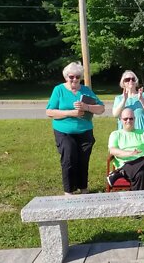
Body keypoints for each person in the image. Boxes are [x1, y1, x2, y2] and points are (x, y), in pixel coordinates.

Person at [46, 61, 105, 195]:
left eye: (77, 77)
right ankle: (69, 190)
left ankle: (83, 188)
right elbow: (49, 112)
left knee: (83, 160)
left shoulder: (86, 91)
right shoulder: (59, 90)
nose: (74, 79)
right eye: (71, 77)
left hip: (85, 131)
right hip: (64, 131)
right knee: (68, 157)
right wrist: (70, 113)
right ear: (66, 77)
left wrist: (87, 107)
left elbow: (101, 109)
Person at [106, 108, 144, 191]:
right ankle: (136, 201)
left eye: (131, 118)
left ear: (134, 119)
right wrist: (129, 153)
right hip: (126, 163)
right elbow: (113, 151)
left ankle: (122, 171)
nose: (128, 121)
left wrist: (140, 161)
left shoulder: (142, 133)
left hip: (143, 163)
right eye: (125, 119)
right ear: (120, 120)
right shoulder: (116, 134)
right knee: (140, 174)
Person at [112, 70, 144, 139]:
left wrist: (141, 99)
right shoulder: (119, 98)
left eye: (133, 79)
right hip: (126, 134)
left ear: (136, 82)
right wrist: (124, 99)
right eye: (127, 79)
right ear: (123, 83)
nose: (131, 81)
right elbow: (115, 114)